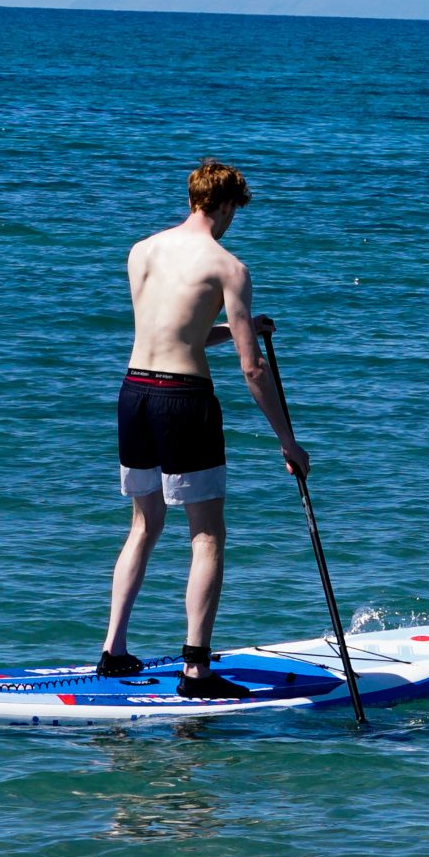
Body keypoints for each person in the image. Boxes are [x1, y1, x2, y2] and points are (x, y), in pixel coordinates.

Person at [99, 159, 310, 697]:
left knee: (143, 526)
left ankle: (113, 651)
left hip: (135, 394)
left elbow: (174, 332)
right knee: (207, 534)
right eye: (236, 209)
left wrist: (242, 328)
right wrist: (289, 441)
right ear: (224, 204)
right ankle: (197, 672)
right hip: (183, 403)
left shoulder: (141, 250)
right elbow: (252, 370)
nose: (235, 219)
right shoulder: (228, 268)